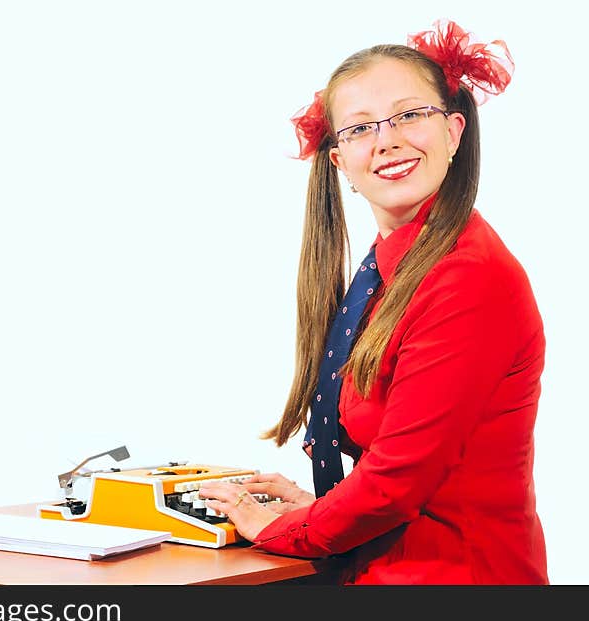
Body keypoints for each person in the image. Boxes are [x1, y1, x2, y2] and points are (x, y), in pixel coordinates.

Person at [199, 19, 548, 584]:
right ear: (340, 161)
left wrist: (280, 529)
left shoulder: (468, 277)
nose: (386, 140)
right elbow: (384, 465)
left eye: (410, 115)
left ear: (455, 132)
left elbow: (393, 485)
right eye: (360, 128)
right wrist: (311, 506)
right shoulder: (392, 269)